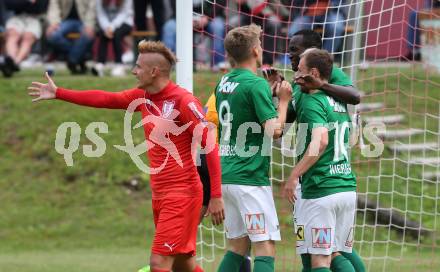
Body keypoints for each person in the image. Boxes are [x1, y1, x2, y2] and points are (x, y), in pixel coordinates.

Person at [28, 40, 225, 272]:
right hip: (161, 193)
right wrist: (59, 93)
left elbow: (209, 145)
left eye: (138, 67)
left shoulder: (182, 101)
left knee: (159, 263)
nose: (134, 71)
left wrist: (216, 195)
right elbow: (105, 98)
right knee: (183, 263)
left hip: (182, 195)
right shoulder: (142, 97)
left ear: (154, 71)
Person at [263, 29, 365, 272]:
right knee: (332, 250)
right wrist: (279, 97)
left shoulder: (322, 87)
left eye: (295, 51)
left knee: (320, 254)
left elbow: (354, 97)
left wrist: (293, 175)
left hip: (319, 179)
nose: (290, 57)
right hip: (342, 180)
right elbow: (283, 125)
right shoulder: (304, 90)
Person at [215, 24, 292, 272]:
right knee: (264, 243)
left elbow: (243, 110)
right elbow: (274, 130)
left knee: (237, 246)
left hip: (227, 171)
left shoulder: (223, 82)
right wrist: (282, 102)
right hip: (249, 176)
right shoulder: (255, 84)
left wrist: (265, 98)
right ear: (257, 51)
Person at [283, 48, 357, 272]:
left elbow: (321, 141)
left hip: (321, 189)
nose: (295, 76)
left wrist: (294, 174)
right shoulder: (337, 100)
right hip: (345, 187)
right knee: (334, 253)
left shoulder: (312, 101)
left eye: (300, 70)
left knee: (320, 260)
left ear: (313, 72)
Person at [162, 0, 227, 70]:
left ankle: (218, 64)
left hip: (210, 18)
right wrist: (186, 18)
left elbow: (220, 3)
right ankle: (168, 63)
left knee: (218, 27)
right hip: (181, 18)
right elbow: (174, 4)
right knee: (169, 27)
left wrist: (207, 17)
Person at [46, 0, 96, 74]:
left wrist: (89, 25)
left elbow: (92, 9)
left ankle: (72, 61)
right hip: (63, 21)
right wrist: (54, 23)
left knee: (88, 36)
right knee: (53, 35)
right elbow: (54, 7)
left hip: (84, 21)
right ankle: (77, 59)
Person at [93, 0, 133, 77]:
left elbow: (124, 13)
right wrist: (107, 27)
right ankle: (100, 64)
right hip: (106, 24)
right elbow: (100, 14)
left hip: (125, 22)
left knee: (116, 34)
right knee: (102, 33)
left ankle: (119, 65)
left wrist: (112, 27)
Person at [4, 0, 48, 69]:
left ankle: (15, 63)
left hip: (35, 18)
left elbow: (40, 7)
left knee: (28, 38)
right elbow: (9, 4)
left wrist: (22, 3)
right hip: (17, 17)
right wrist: (28, 2)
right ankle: (11, 60)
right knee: (12, 34)